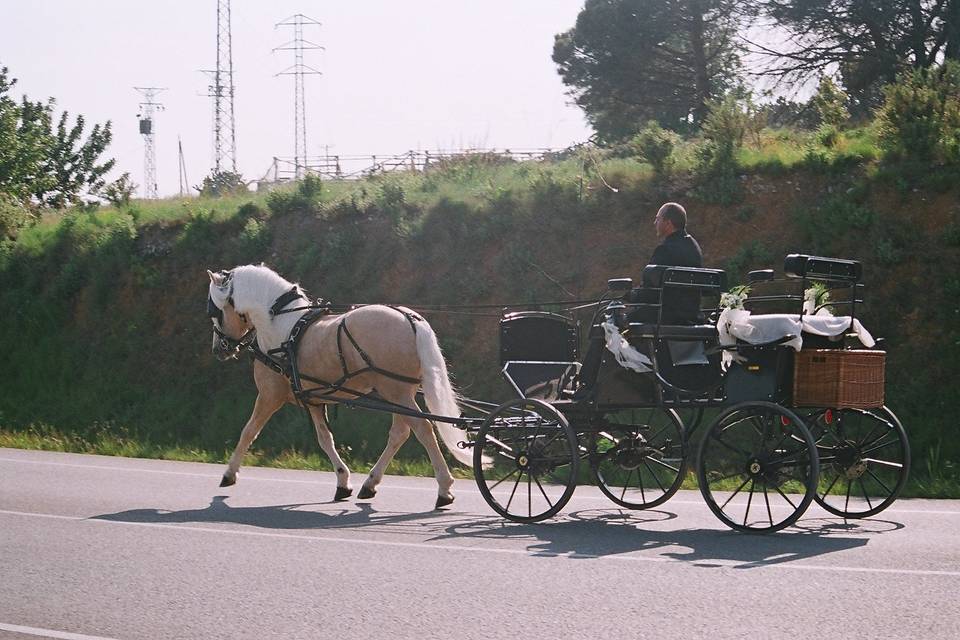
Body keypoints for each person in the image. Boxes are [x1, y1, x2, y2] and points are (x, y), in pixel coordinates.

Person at [574, 202, 704, 396]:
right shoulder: (693, 247)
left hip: (664, 314)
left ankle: (586, 384)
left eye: (658, 219)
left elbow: (649, 291)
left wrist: (628, 296)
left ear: (668, 223)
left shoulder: (665, 250)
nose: (655, 222)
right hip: (689, 314)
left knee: (605, 323)